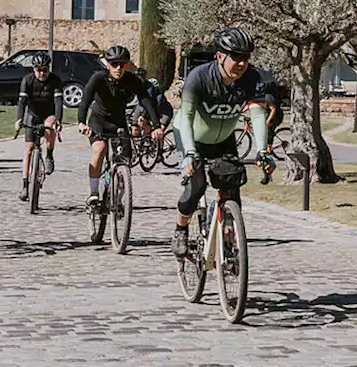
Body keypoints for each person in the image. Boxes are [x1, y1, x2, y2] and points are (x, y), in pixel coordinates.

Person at [173, 27, 275, 258]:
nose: (242, 63)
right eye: (236, 57)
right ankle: (180, 230)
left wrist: (262, 151)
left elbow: (257, 115)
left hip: (223, 139)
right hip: (191, 136)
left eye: (246, 58)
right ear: (220, 56)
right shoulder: (198, 77)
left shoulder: (252, 78)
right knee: (196, 187)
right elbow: (186, 116)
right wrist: (189, 153)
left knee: (231, 190)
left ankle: (228, 246)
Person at [77, 45, 163, 206]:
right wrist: (81, 122)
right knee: (100, 149)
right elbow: (85, 100)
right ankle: (94, 193)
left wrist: (156, 125)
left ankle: (119, 199)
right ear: (108, 64)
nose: (118, 68)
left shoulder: (132, 79)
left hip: (118, 122)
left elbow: (145, 100)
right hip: (98, 120)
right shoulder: (98, 78)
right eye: (114, 64)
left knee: (125, 161)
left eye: (122, 64)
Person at [15, 52, 64, 200]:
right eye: (38, 70)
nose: (42, 73)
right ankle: (24, 185)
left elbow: (58, 103)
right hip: (33, 114)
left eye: (45, 70)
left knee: (49, 125)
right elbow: (22, 102)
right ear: (33, 69)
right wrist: (18, 119)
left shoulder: (55, 81)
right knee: (29, 149)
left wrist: (58, 121)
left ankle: (49, 154)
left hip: (49, 113)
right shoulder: (27, 80)